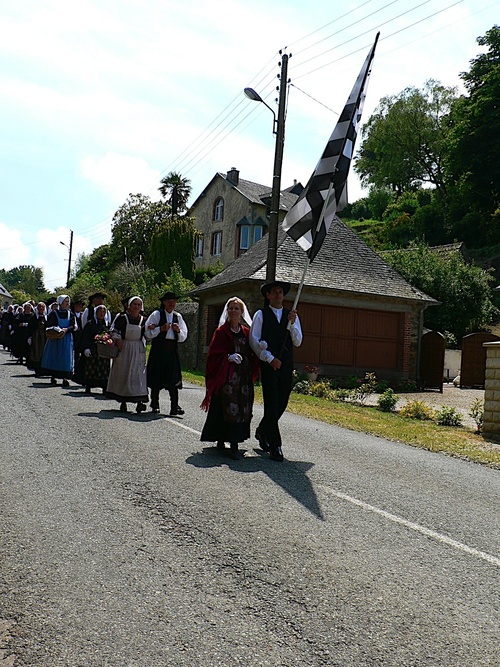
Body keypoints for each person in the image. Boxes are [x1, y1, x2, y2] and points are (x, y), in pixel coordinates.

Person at [249, 281, 302, 461]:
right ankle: (275, 445)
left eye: (281, 292)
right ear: (268, 295)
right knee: (271, 402)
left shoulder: (291, 315)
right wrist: (270, 359)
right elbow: (254, 340)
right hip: (269, 363)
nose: (278, 295)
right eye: (275, 292)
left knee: (282, 402)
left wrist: (292, 324)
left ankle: (263, 430)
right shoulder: (261, 315)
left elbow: (298, 341)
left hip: (286, 364)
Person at [200, 297, 259, 460]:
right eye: (231, 308)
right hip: (226, 379)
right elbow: (213, 355)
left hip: (243, 379)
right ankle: (226, 441)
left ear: (241, 312)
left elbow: (252, 352)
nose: (233, 311)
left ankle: (236, 441)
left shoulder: (247, 333)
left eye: (236, 308)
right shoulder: (221, 332)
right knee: (227, 407)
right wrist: (228, 357)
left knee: (242, 408)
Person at [144, 292, 188, 415]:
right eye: (169, 301)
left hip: (171, 351)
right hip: (159, 350)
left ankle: (174, 406)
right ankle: (155, 404)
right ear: (163, 302)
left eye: (173, 301)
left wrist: (178, 330)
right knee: (156, 377)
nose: (171, 303)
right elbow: (147, 333)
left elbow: (184, 336)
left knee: (173, 379)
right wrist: (160, 329)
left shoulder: (178, 316)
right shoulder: (156, 314)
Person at [106, 296, 149, 413]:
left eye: (138, 304)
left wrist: (151, 330)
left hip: (138, 348)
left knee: (138, 374)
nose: (136, 306)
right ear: (129, 306)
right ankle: (123, 400)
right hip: (124, 348)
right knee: (123, 372)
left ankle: (139, 400)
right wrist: (118, 339)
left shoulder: (144, 320)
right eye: (134, 304)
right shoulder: (122, 318)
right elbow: (113, 331)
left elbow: (148, 334)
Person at [40, 294, 76, 386]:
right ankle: (54, 376)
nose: (67, 304)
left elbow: (73, 325)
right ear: (60, 303)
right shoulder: (53, 313)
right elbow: (49, 324)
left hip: (66, 338)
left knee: (65, 357)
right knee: (55, 356)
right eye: (65, 302)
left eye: (68, 302)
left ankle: (65, 377)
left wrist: (67, 329)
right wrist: (57, 329)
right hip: (55, 338)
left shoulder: (70, 314)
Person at [78, 304, 111, 394]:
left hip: (104, 351)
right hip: (92, 350)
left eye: (104, 311)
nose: (102, 313)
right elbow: (86, 337)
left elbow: (110, 336)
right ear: (96, 312)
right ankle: (88, 386)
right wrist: (86, 348)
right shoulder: (90, 323)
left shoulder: (107, 324)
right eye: (100, 311)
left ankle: (104, 387)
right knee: (91, 369)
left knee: (104, 370)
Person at [26, 302, 47, 375]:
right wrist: (29, 337)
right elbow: (30, 328)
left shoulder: (46, 317)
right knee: (36, 352)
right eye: (40, 307)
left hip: (45, 336)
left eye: (42, 307)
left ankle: (43, 369)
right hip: (36, 337)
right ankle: (37, 368)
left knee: (44, 352)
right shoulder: (34, 317)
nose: (41, 308)